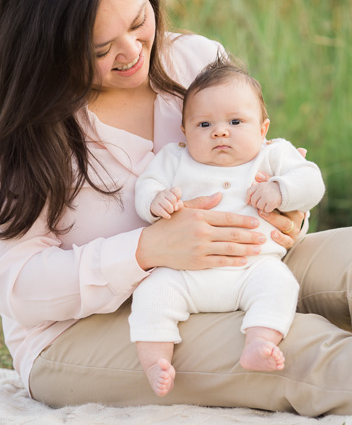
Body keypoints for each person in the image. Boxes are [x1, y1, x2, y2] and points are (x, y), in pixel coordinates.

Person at [0, 0, 352, 413]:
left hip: (241, 266)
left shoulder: (194, 61)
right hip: (87, 331)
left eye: (139, 22)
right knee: (299, 349)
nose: (133, 52)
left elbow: (256, 160)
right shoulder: (13, 143)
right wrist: (148, 249)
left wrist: (286, 215)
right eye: (100, 49)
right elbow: (20, 288)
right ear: (45, 52)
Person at [130, 59, 325, 395]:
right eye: (204, 124)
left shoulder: (273, 154)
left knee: (279, 285)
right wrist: (154, 201)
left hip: (254, 267)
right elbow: (147, 184)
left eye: (236, 121)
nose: (220, 131)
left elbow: (312, 181)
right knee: (153, 294)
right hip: (184, 274)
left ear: (263, 129)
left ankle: (258, 342)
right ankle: (155, 360)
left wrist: (281, 189)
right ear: (185, 132)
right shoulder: (175, 159)